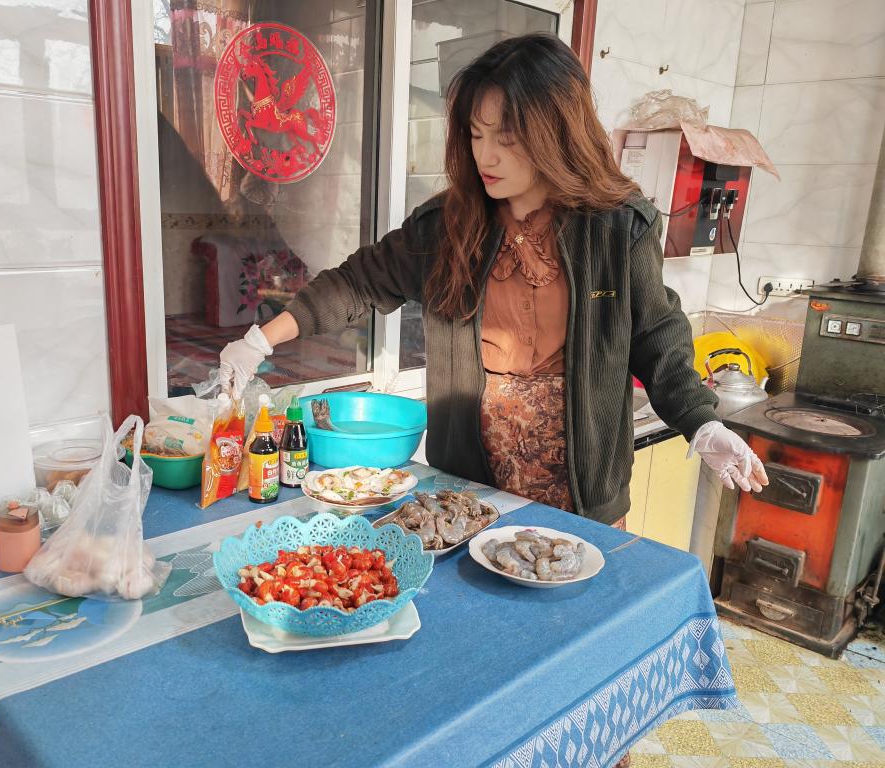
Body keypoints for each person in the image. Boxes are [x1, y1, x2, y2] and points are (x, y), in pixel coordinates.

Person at [219, 32, 767, 523]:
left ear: (556, 133)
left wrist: (702, 422)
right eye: (477, 135)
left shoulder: (617, 227)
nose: (486, 155)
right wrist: (259, 340)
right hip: (469, 491)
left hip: (583, 496)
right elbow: (358, 282)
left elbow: (657, 338)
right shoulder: (447, 225)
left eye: (506, 137)